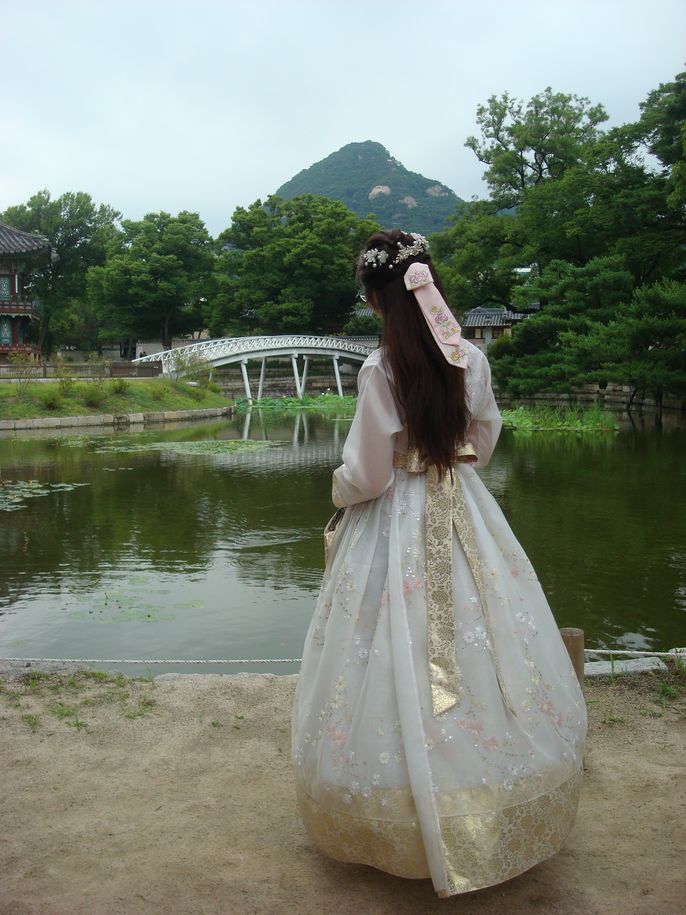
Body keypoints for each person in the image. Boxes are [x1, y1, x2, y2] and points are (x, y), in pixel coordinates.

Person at [291, 229, 586, 898]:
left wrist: (339, 488)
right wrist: (448, 459)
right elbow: (483, 440)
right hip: (462, 509)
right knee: (488, 640)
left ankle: (393, 817)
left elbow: (366, 473)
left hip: (392, 518)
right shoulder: (471, 361)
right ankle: (490, 792)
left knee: (388, 648)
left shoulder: (381, 368)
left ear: (377, 300)